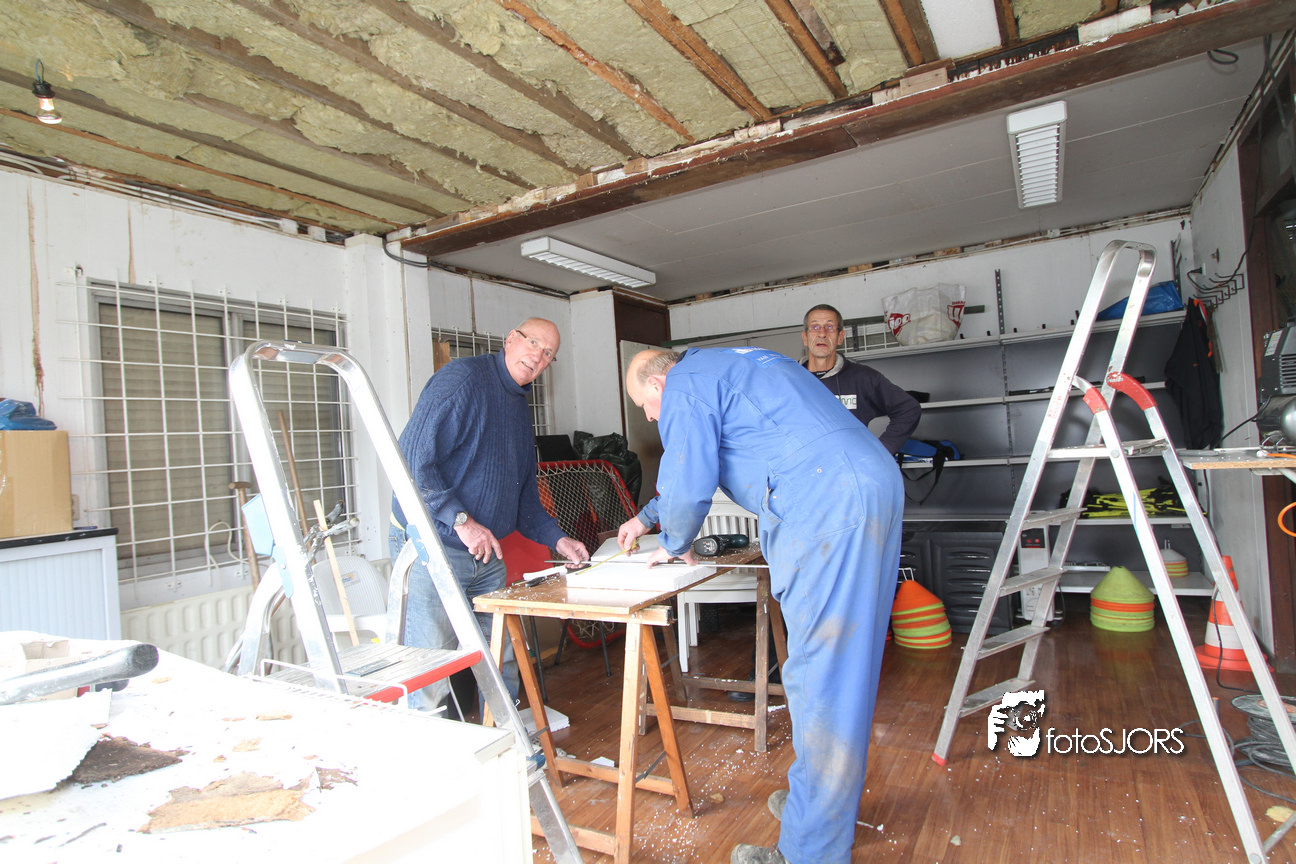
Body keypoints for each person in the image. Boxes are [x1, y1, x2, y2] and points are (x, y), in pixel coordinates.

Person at [617, 347, 904, 864]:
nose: (651, 418)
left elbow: (687, 474)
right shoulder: (735, 363)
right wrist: (647, 518)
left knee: (824, 676)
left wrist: (674, 540)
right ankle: (817, 809)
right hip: (869, 481)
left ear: (658, 385)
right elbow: (705, 457)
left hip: (826, 502)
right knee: (846, 665)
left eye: (645, 407)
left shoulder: (684, 384)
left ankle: (810, 851)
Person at [389, 318, 589, 715]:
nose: (538, 356)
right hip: (432, 546)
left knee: (501, 659)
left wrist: (558, 538)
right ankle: (433, 752)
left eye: (548, 353)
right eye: (533, 343)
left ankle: (506, 741)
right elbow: (409, 461)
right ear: (511, 339)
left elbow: (523, 497)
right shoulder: (462, 380)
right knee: (430, 668)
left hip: (486, 553)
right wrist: (461, 520)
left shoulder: (518, 406)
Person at [801, 303, 921, 454]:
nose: (822, 334)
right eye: (815, 327)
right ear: (805, 338)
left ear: (840, 337)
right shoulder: (787, 380)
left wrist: (881, 453)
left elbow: (909, 409)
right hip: (802, 468)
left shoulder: (862, 378)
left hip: (848, 469)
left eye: (830, 327)